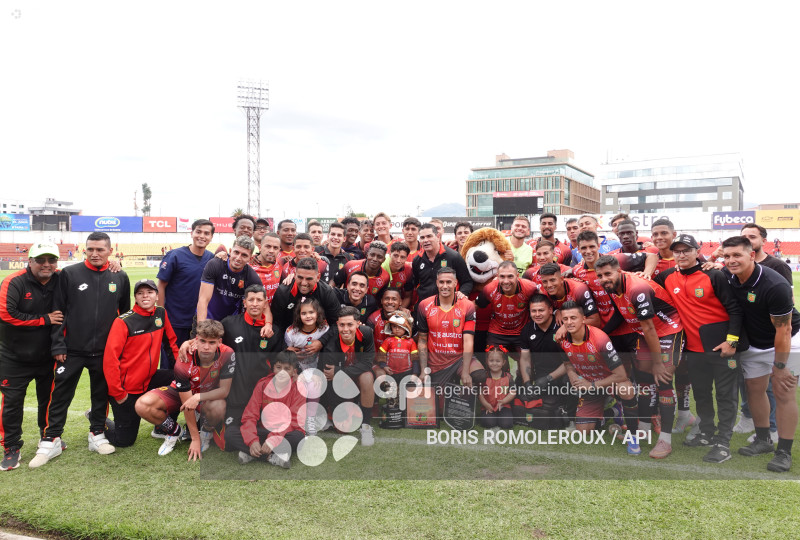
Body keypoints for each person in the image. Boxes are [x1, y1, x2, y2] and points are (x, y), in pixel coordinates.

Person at [31, 232, 131, 468]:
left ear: (110, 251)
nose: (95, 253)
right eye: (90, 249)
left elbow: (125, 315)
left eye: (100, 250)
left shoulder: (120, 276)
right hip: (71, 349)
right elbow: (58, 310)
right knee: (60, 395)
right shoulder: (70, 273)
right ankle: (51, 438)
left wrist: (121, 349)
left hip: (105, 352)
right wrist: (58, 343)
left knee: (100, 395)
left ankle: (97, 433)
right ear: (84, 250)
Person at [655, 234, 742, 463]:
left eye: (686, 250)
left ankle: (723, 443)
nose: (681, 255)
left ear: (697, 251)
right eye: (678, 251)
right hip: (693, 350)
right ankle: (706, 433)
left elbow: (735, 309)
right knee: (702, 394)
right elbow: (647, 282)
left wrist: (732, 341)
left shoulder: (714, 274)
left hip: (723, 348)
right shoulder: (668, 276)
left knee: (725, 396)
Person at [722, 235, 800, 472]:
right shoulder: (728, 276)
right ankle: (763, 440)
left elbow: (784, 330)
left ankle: (784, 451)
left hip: (788, 340)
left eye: (737, 255)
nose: (731, 261)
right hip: (755, 343)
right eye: (727, 256)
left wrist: (780, 366)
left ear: (752, 255)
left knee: (783, 391)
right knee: (754, 390)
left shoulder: (774, 285)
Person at [596, 255, 685, 459]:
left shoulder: (636, 288)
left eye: (608, 274)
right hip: (645, 333)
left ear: (619, 271)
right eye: (600, 276)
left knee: (662, 379)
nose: (604, 279)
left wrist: (657, 363)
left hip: (668, 330)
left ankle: (665, 439)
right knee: (644, 380)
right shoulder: (612, 286)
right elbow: (621, 313)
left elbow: (649, 326)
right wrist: (600, 334)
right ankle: (643, 430)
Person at [0, 243, 63, 470]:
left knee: (49, 401)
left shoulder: (60, 279)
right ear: (30, 261)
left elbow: (87, 273)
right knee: (12, 404)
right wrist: (44, 319)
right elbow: (6, 314)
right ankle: (11, 447)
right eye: (40, 259)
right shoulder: (14, 281)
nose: (46, 264)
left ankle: (47, 438)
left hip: (48, 356)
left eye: (51, 260)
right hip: (14, 357)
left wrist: (113, 264)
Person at [100, 279, 179, 450]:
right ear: (135, 297)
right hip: (127, 388)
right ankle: (97, 419)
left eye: (150, 292)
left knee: (179, 381)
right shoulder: (123, 322)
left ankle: (162, 426)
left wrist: (182, 371)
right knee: (124, 441)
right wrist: (118, 393)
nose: (145, 296)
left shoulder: (161, 313)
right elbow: (110, 360)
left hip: (149, 377)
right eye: (140, 293)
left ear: (157, 296)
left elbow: (171, 344)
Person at [137, 319, 232, 458]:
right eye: (203, 341)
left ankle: (206, 432)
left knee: (219, 406)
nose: (206, 347)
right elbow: (187, 404)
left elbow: (224, 391)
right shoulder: (184, 357)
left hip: (207, 395)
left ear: (219, 342)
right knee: (142, 405)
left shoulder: (228, 353)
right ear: (196, 340)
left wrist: (198, 397)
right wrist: (194, 439)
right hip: (183, 392)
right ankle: (174, 431)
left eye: (212, 342)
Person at [558, 301, 642, 455]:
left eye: (573, 318)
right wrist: (571, 375)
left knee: (626, 389)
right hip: (589, 384)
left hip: (608, 381)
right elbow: (567, 362)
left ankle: (633, 437)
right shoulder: (561, 338)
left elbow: (621, 375)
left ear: (583, 319)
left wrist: (592, 385)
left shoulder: (600, 339)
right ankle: (615, 411)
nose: (569, 322)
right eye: (565, 319)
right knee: (583, 431)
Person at [216, 284, 287, 452]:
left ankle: (256, 449)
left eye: (259, 300)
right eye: (251, 300)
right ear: (245, 302)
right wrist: (191, 342)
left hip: (261, 397)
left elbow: (278, 364)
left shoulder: (274, 332)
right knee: (229, 438)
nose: (255, 304)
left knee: (273, 431)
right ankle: (262, 452)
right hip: (236, 395)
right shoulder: (229, 324)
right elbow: (210, 338)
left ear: (265, 303)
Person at [156, 219, 215, 365]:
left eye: (206, 233)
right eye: (198, 231)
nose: (202, 236)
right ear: (192, 233)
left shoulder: (212, 259)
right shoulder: (175, 256)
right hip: (174, 321)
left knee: (194, 365)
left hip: (199, 324)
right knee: (170, 365)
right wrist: (161, 313)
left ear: (211, 237)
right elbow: (161, 285)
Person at [417, 267, 486, 388]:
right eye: (441, 282)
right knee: (439, 403)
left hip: (459, 359)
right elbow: (422, 340)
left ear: (455, 283)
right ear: (437, 283)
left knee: (479, 375)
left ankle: (466, 400)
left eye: (448, 282)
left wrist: (465, 372)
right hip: (436, 363)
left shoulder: (467, 305)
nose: (445, 286)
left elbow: (468, 340)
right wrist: (424, 370)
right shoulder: (424, 305)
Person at [319, 306, 377, 446]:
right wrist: (339, 412)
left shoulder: (367, 333)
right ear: (337, 325)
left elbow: (367, 363)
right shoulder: (330, 348)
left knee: (367, 377)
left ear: (358, 324)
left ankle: (366, 427)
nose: (345, 329)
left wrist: (340, 371)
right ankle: (334, 413)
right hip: (337, 385)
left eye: (350, 324)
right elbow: (328, 380)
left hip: (354, 376)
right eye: (342, 325)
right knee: (343, 429)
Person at [236, 351, 304, 468]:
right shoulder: (262, 384)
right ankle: (271, 456)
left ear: (294, 372)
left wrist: (273, 439)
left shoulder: (299, 388)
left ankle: (251, 453)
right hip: (264, 431)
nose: (282, 372)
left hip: (285, 433)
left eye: (287, 369)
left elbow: (294, 420)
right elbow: (250, 415)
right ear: (273, 368)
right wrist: (252, 440)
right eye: (278, 367)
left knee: (298, 438)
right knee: (231, 434)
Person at [271, 257, 341, 350]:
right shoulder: (283, 292)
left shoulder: (326, 292)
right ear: (294, 274)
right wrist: (284, 347)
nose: (304, 283)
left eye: (309, 279)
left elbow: (337, 322)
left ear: (318, 277)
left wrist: (322, 342)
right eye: (300, 277)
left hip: (319, 341)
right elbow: (276, 324)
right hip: (291, 341)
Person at [197, 235, 266, 327]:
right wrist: (201, 327)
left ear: (250, 258)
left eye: (244, 255)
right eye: (236, 252)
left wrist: (268, 324)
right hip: (207, 318)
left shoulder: (252, 277)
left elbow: (264, 305)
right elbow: (203, 300)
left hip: (230, 323)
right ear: (230, 251)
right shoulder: (215, 264)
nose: (238, 258)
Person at [474, 261, 538, 350]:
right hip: (497, 332)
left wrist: (557, 311)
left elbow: (545, 302)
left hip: (522, 332)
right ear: (497, 276)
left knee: (526, 362)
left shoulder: (529, 287)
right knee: (494, 362)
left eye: (510, 276)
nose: (506, 281)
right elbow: (475, 306)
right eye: (502, 276)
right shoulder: (490, 289)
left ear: (517, 276)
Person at [412, 223, 473, 306]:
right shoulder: (417, 260)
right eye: (422, 237)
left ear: (437, 237)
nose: (425, 240)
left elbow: (467, 281)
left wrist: (463, 292)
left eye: (429, 236)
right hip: (424, 307)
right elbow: (416, 284)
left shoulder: (453, 256)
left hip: (448, 308)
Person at [537, 263, 601, 327]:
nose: (549, 285)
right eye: (545, 282)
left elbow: (595, 321)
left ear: (561, 279)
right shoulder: (543, 292)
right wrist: (556, 311)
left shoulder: (579, 290)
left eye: (552, 280)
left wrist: (566, 327)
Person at [478, 346, 516, 429]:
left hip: (503, 405)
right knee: (489, 423)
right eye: (491, 361)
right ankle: (491, 417)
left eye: (498, 361)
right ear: (487, 361)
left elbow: (513, 392)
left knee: (507, 424)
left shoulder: (508, 377)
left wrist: (503, 401)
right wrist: (486, 405)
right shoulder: (484, 377)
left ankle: (502, 417)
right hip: (488, 406)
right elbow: (480, 394)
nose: (494, 363)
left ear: (503, 362)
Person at [377, 310, 418, 385]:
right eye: (394, 326)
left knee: (405, 393)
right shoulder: (388, 340)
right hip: (391, 372)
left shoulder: (411, 341)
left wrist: (415, 373)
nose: (397, 329)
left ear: (406, 327)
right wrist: (384, 366)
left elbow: (415, 358)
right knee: (391, 392)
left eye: (400, 327)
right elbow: (381, 355)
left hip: (407, 372)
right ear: (390, 327)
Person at [249, 232, 283, 305]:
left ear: (279, 250)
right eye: (268, 246)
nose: (271, 251)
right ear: (260, 247)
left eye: (275, 248)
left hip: (274, 312)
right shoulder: (248, 265)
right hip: (254, 312)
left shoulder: (281, 263)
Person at [384, 242, 414, 309]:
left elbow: (407, 296)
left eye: (402, 257)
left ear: (406, 258)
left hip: (396, 305)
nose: (398, 260)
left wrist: (399, 311)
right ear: (389, 254)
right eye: (395, 256)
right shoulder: (381, 266)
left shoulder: (408, 270)